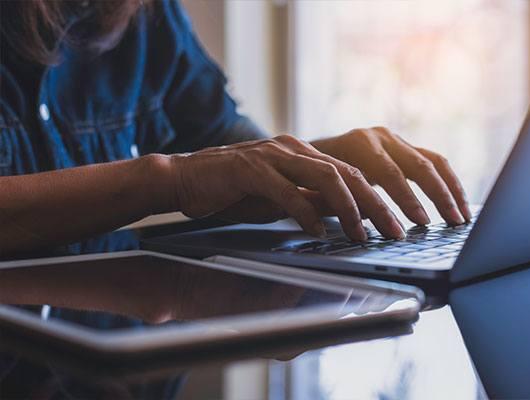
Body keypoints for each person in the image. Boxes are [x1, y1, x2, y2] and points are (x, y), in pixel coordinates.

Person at [0, 0, 471, 256]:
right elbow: (191, 174)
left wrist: (312, 161)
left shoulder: (148, 14)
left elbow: (222, 145)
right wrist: (171, 179)